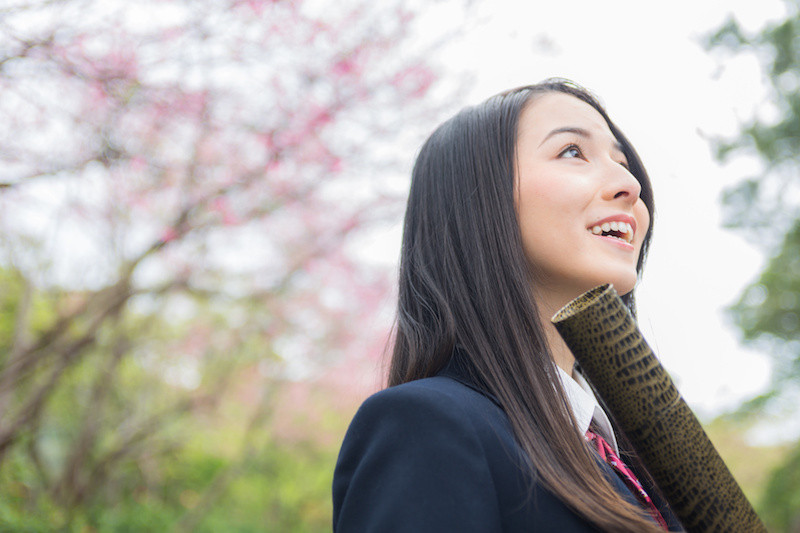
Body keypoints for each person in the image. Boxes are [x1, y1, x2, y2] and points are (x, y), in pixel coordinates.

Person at [332, 79, 684, 532]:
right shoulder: (426, 426)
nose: (630, 185)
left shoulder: (648, 458)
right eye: (573, 151)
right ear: (479, 200)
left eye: (622, 161)